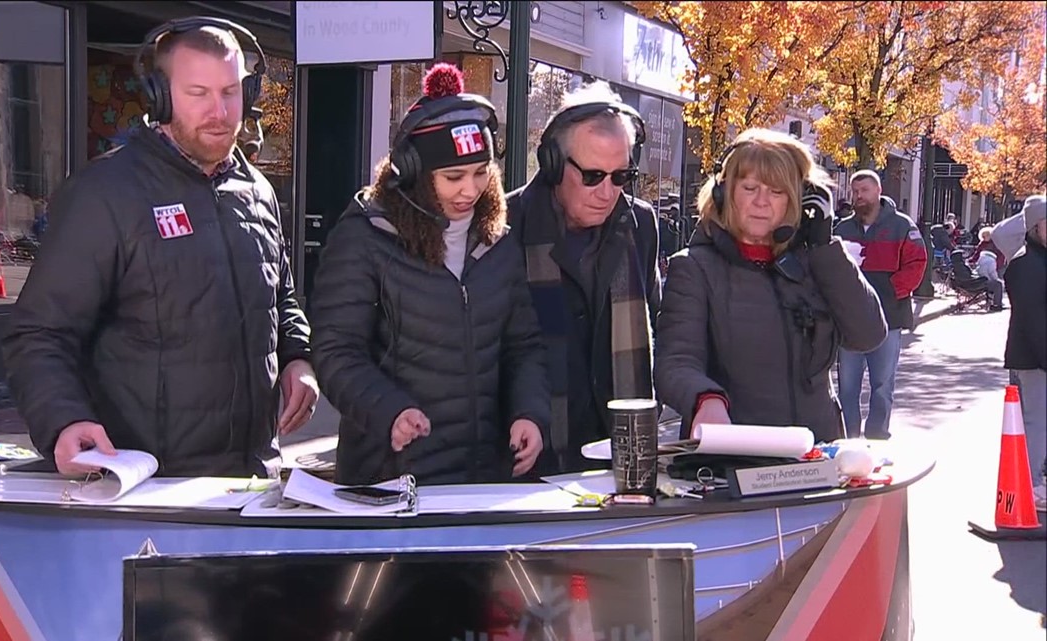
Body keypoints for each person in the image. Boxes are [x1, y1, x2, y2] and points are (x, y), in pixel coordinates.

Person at [2, 18, 317, 478]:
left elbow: (281, 299)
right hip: (145, 484)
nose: (220, 110)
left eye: (230, 92)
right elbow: (38, 333)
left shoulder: (258, 190)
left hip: (251, 482)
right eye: (198, 93)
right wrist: (63, 420)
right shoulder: (105, 193)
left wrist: (299, 358)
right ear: (161, 96)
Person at [308, 63, 549, 486]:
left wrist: (530, 411)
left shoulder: (498, 243)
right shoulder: (365, 237)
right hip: (390, 478)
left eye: (480, 173)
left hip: (482, 480)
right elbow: (335, 351)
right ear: (415, 174)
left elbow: (522, 346)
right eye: (453, 177)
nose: (469, 191)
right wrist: (389, 411)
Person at [655, 129, 886, 444]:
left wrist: (825, 245)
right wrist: (705, 399)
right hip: (736, 458)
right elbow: (676, 361)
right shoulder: (695, 268)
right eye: (749, 188)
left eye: (777, 191)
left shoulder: (817, 262)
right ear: (724, 193)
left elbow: (869, 334)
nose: (761, 202)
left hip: (817, 455)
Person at [505, 80, 660, 474]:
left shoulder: (640, 224)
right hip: (529, 453)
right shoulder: (506, 225)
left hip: (617, 453)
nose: (607, 192)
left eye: (621, 176)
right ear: (554, 165)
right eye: (592, 176)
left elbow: (655, 322)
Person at [833, 171, 927, 439]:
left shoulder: (902, 226)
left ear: (878, 191)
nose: (858, 196)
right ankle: (848, 439)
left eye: (863, 190)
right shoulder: (842, 229)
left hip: (889, 318)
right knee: (847, 387)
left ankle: (877, 435)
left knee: (882, 384)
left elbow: (917, 264)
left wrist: (890, 291)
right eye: (854, 191)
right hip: (850, 321)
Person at [1002, 195, 1046, 510]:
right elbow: (1033, 319)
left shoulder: (1037, 258)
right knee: (1035, 421)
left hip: (1036, 356)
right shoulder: (1027, 263)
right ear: (1034, 228)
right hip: (1034, 359)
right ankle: (1032, 485)